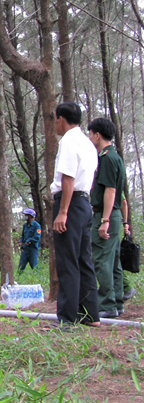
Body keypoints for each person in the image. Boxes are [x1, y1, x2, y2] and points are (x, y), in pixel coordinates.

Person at [51, 102, 100, 327]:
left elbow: (68, 178)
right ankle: (91, 315)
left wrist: (62, 212)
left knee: (68, 261)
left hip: (70, 203)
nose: (54, 124)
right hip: (84, 204)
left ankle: (67, 319)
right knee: (83, 259)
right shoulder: (88, 143)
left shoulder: (69, 140)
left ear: (61, 118)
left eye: (55, 119)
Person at [88, 117, 127, 318]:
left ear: (98, 135)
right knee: (114, 261)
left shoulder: (108, 158)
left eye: (91, 133)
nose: (90, 137)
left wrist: (104, 220)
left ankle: (107, 304)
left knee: (102, 259)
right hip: (114, 216)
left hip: (107, 216)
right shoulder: (114, 157)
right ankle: (116, 302)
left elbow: (110, 190)